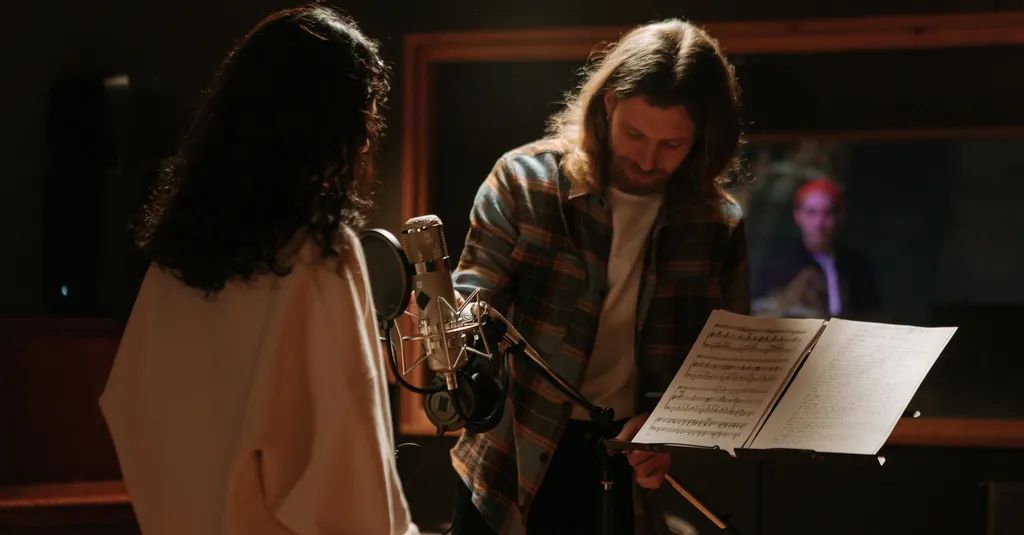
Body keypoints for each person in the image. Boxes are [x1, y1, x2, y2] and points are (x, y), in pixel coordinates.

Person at [98, 5, 419, 535]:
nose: (364, 140)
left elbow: (133, 407)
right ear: (326, 122)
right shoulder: (316, 248)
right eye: (360, 115)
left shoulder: (181, 248)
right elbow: (347, 464)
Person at [447, 19, 749, 535]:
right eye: (634, 134)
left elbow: (720, 362)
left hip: (629, 460)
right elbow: (468, 317)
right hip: (509, 453)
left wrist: (668, 431)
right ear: (607, 104)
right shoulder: (522, 182)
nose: (648, 160)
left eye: (672, 144)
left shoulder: (717, 222)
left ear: (704, 139)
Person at [755, 177, 881, 319]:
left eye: (827, 213)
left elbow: (873, 314)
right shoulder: (779, 265)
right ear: (797, 216)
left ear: (840, 215)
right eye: (811, 213)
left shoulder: (857, 265)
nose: (819, 223)